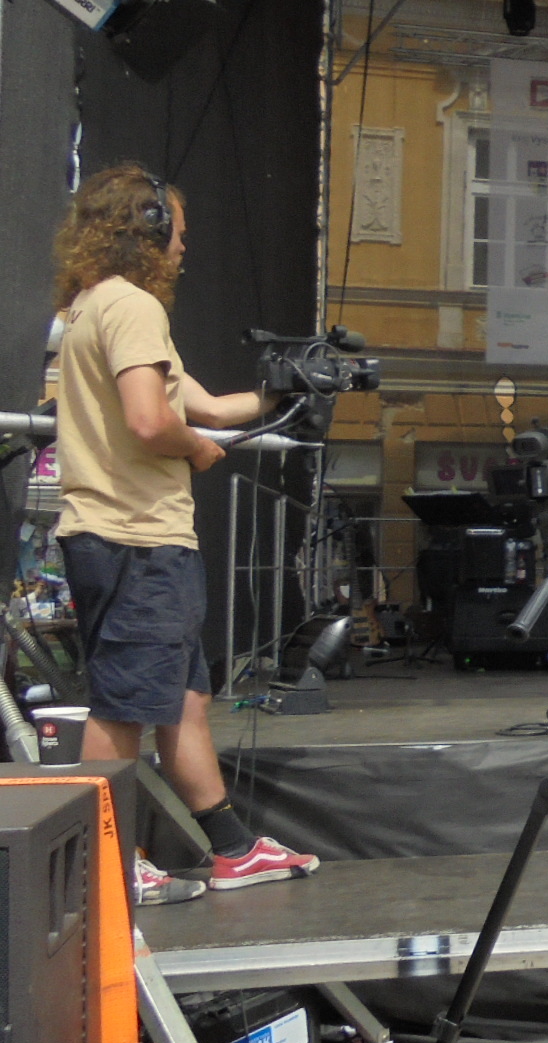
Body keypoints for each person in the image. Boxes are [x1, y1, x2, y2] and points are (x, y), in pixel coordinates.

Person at [54, 164, 319, 904]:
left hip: (136, 538)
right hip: (134, 538)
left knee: (181, 700)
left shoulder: (96, 304)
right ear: (143, 229)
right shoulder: (133, 305)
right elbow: (152, 421)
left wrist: (287, 390)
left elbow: (203, 404)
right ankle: (104, 862)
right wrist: (196, 450)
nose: (182, 247)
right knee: (124, 706)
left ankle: (231, 849)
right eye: (176, 231)